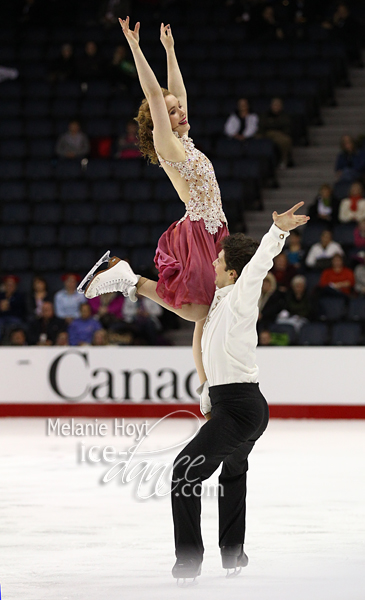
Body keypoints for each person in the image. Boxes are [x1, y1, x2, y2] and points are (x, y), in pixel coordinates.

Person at [83, 199, 309, 580]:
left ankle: (189, 559)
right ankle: (234, 555)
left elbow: (258, 266)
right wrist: (206, 387)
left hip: (240, 407)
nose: (213, 263)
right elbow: (203, 342)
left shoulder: (239, 297)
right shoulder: (218, 303)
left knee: (184, 473)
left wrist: (278, 231)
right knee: (232, 475)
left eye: (219, 261)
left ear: (233, 273)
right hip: (237, 405)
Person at [78, 19, 228, 337]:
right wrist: (135, 46)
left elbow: (177, 92)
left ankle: (205, 385)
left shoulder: (185, 139)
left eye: (178, 109)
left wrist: (170, 50)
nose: (180, 111)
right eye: (172, 111)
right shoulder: (169, 145)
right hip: (199, 229)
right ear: (160, 122)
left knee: (209, 312)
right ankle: (132, 280)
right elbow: (154, 95)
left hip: (215, 228)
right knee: (199, 309)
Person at [259, 98, 293, 168]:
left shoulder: (284, 116)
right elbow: (263, 125)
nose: (276, 107)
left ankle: (284, 160)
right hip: (266, 134)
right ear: (271, 106)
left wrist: (273, 125)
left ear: (281, 107)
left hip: (280, 135)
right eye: (275, 105)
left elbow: (286, 127)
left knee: (286, 141)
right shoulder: (265, 115)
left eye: (278, 105)